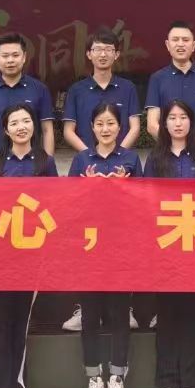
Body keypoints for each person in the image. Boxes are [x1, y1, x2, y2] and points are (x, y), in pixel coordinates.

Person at [0, 104, 57, 388]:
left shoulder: (45, 162)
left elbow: (53, 204)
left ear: (33, 126)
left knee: (21, 321)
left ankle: (15, 386)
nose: (21, 127)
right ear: (6, 129)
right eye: (14, 122)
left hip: (31, 254)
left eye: (26, 121)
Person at [60, 31, 141, 333]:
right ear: (89, 54)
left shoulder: (128, 88)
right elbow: (68, 130)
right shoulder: (78, 89)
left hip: (121, 168)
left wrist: (118, 155)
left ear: (117, 54)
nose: (103, 54)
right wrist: (91, 156)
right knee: (88, 243)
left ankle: (125, 306)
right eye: (97, 49)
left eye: (108, 49)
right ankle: (85, 308)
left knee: (122, 242)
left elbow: (134, 126)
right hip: (89, 168)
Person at [69, 103, 141, 388]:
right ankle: (93, 377)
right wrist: (88, 189)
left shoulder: (131, 159)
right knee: (90, 316)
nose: (106, 129)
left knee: (119, 314)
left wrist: (124, 189)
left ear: (120, 127)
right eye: (100, 123)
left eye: (111, 123)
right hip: (89, 249)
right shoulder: (81, 159)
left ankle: (117, 376)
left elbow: (144, 202)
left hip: (120, 248)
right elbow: (69, 203)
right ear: (92, 127)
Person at [142, 100, 195, 388]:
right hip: (165, 246)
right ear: (164, 124)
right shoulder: (155, 158)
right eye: (172, 117)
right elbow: (145, 199)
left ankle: (193, 383)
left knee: (193, 316)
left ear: (191, 122)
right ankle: (167, 381)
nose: (178, 123)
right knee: (167, 316)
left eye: (183, 117)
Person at [0, 34, 55, 178]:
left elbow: (47, 131)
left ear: (24, 57)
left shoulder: (39, 90)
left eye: (15, 55)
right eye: (5, 56)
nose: (10, 60)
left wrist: (46, 165)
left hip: (33, 171)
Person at [144, 22, 195, 153]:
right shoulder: (157, 78)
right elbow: (152, 124)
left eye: (185, 40)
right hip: (168, 156)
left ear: (193, 45)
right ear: (168, 45)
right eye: (175, 40)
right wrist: (175, 151)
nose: (180, 44)